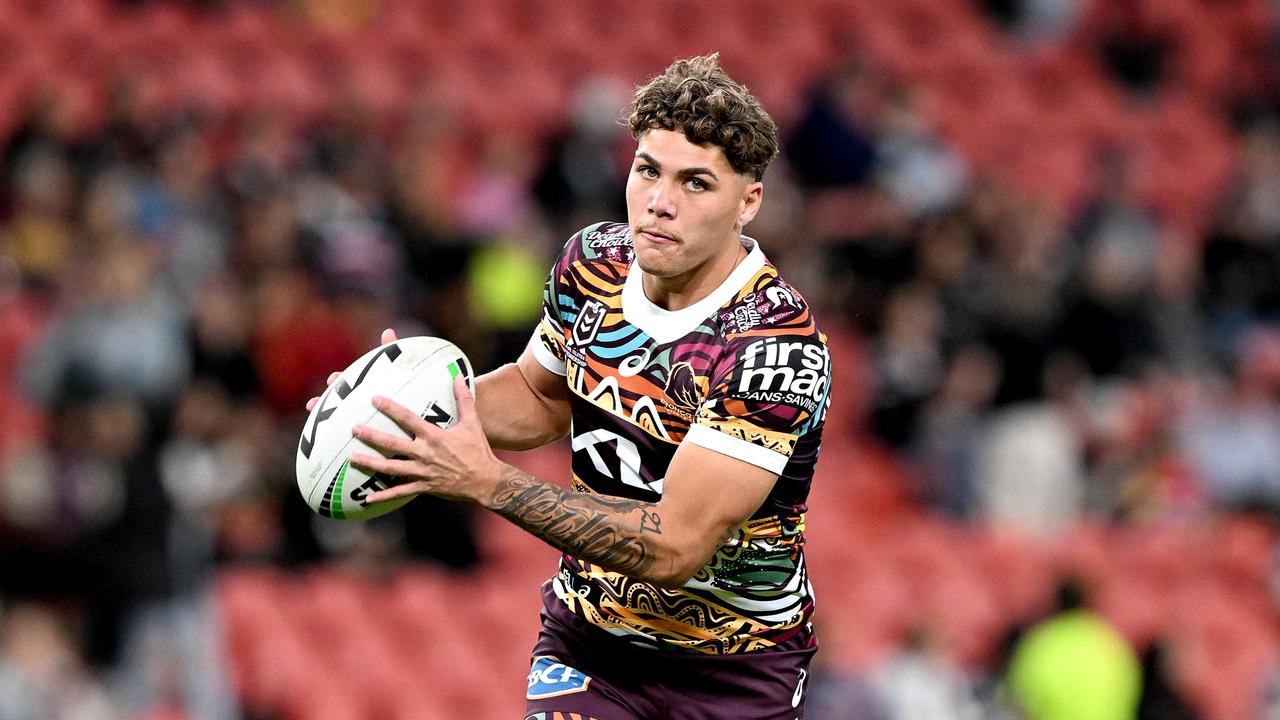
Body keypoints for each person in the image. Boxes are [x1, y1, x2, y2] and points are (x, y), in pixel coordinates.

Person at [310, 53, 832, 719]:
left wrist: (488, 482)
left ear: (747, 202)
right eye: (649, 171)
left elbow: (675, 546)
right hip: (590, 648)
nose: (660, 203)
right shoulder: (594, 262)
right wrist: (399, 409)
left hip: (735, 670)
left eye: (696, 184)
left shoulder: (774, 346)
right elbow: (539, 397)